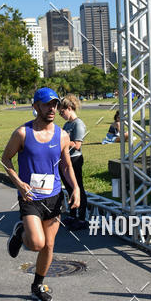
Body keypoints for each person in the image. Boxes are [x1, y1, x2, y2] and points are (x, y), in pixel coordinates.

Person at [1, 87, 80, 301]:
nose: (52, 108)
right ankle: (21, 232)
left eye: (55, 104)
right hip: (31, 197)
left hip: (54, 197)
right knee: (36, 243)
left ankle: (37, 285)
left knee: (49, 245)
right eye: (47, 104)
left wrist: (76, 188)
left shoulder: (62, 135)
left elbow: (65, 166)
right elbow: (5, 160)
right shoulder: (22, 133)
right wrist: (18, 183)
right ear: (36, 106)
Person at [58, 94, 88, 228]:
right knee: (69, 188)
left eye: (62, 111)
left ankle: (81, 218)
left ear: (69, 108)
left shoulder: (78, 124)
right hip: (66, 159)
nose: (60, 114)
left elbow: (77, 145)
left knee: (78, 188)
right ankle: (72, 214)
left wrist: (63, 141)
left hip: (75, 159)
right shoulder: (67, 124)